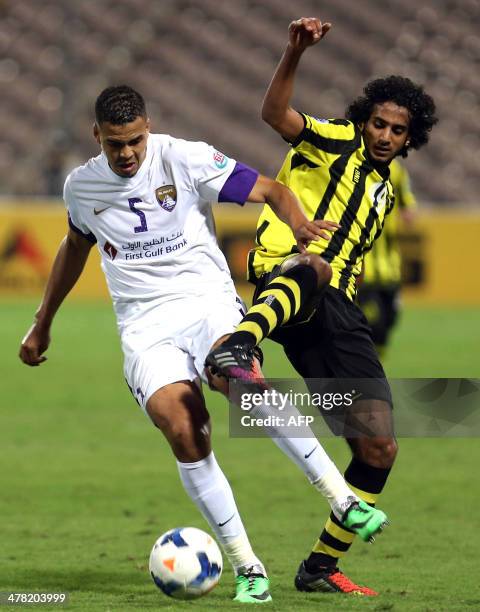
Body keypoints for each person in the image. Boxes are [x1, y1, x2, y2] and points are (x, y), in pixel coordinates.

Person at [19, 85, 388, 604]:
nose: (127, 154)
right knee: (185, 429)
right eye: (115, 145)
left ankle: (340, 497)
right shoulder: (81, 187)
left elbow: (271, 189)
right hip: (145, 327)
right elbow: (75, 247)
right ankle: (248, 567)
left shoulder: (184, 156)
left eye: (135, 141)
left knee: (241, 381)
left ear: (147, 128)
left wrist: (299, 223)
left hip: (206, 301)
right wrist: (42, 322)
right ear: (96, 136)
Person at [206, 17, 438, 596]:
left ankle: (319, 567)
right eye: (378, 124)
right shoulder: (335, 139)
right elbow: (275, 115)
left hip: (337, 314)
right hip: (289, 274)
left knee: (378, 447)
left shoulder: (386, 188)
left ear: (410, 138)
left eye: (396, 129)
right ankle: (238, 345)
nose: (384, 135)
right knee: (315, 265)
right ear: (364, 121)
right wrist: (293, 52)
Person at [357, 158, 417, 356]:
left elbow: (407, 203)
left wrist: (408, 211)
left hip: (390, 268)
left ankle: (373, 369)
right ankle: (368, 374)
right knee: (374, 323)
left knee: (391, 319)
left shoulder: (396, 170)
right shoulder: (354, 164)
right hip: (364, 269)